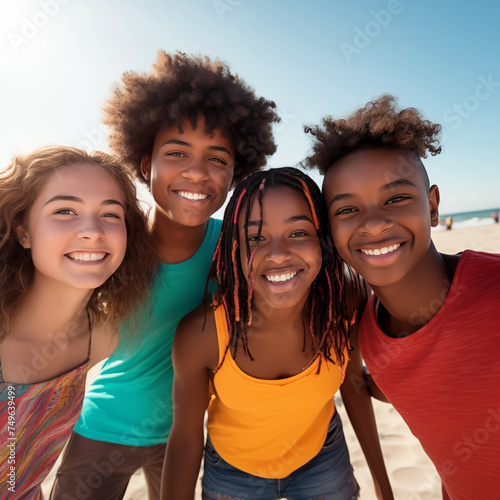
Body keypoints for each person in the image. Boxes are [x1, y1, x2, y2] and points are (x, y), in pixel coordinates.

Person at [50, 51, 280, 499]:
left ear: (236, 173)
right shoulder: (111, 244)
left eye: (217, 158)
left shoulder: (236, 250)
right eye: (176, 152)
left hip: (184, 434)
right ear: (144, 164)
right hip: (102, 428)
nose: (196, 170)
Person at [305, 95, 500, 500]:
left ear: (432, 205)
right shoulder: (365, 327)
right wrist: (381, 485)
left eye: (396, 199)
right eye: (347, 210)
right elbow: (362, 381)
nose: (374, 224)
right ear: (329, 233)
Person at [161, 167, 393, 500]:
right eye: (256, 238)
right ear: (234, 250)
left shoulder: (345, 300)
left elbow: (353, 383)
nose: (279, 253)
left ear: (323, 240)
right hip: (233, 471)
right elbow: (184, 440)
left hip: (322, 456)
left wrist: (383, 487)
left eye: (298, 233)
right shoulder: (202, 334)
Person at [0, 145, 156, 500]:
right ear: (23, 232)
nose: (93, 230)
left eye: (111, 215)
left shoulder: (103, 337)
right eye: (65, 210)